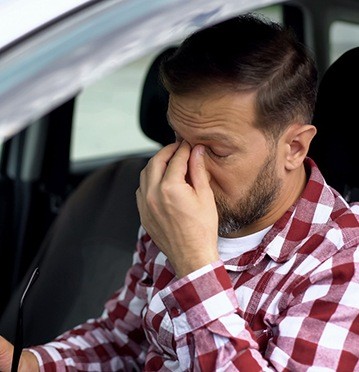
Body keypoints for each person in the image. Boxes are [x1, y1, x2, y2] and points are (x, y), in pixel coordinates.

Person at [1, 12, 359, 371]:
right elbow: (125, 340)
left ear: (294, 148)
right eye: (178, 138)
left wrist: (193, 264)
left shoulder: (342, 262)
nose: (186, 168)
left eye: (217, 151)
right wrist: (25, 363)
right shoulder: (177, 205)